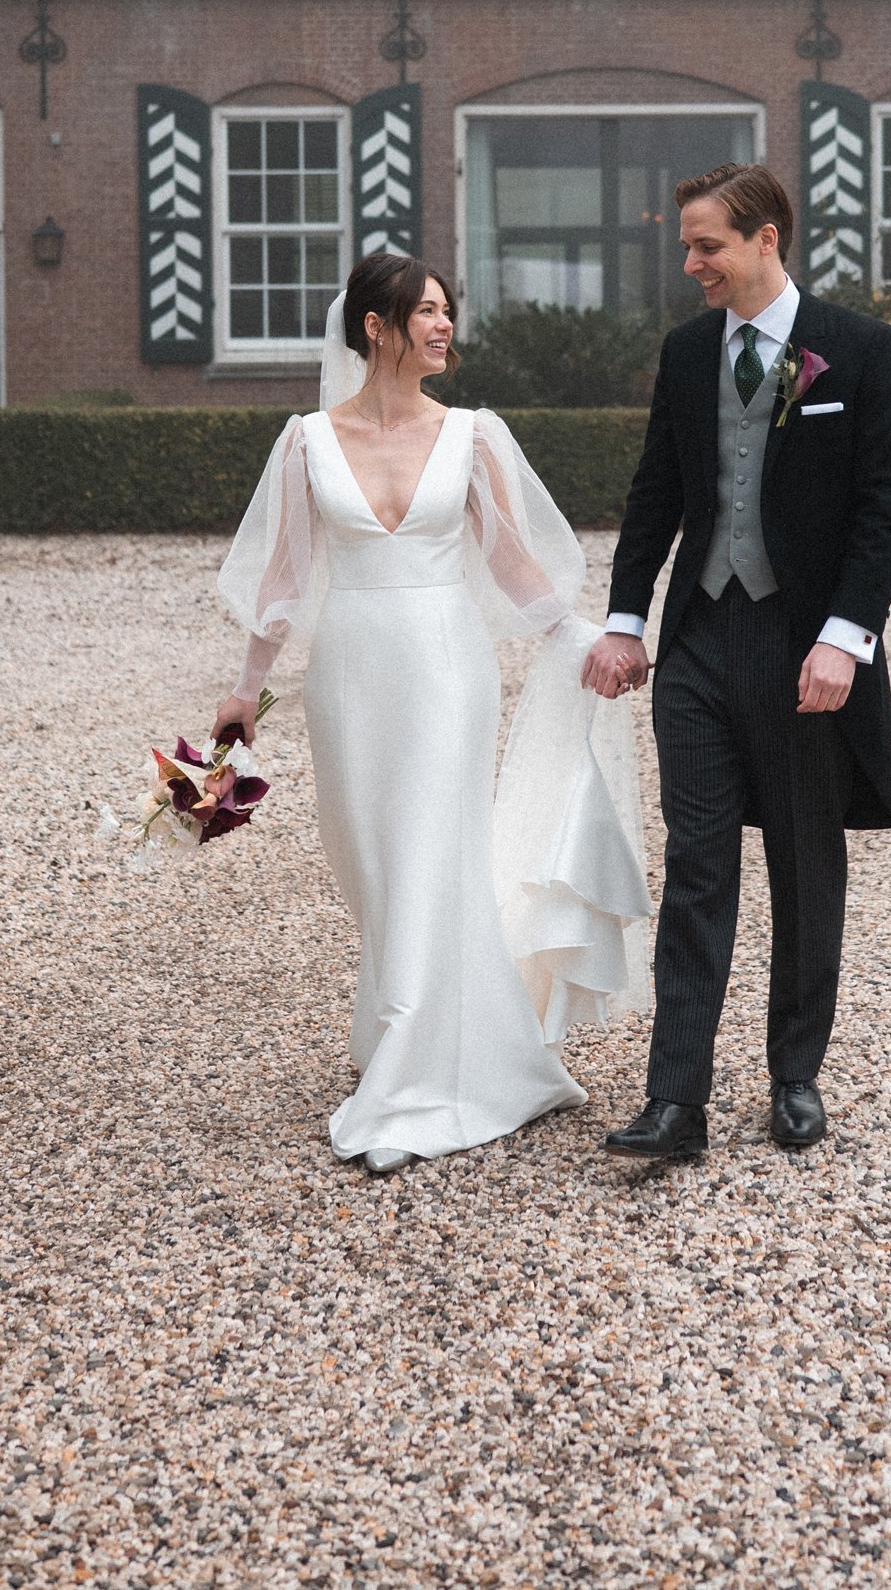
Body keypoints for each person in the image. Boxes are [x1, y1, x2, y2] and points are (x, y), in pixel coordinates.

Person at [215, 252, 649, 1176]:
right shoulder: (305, 441)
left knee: (429, 851)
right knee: (371, 860)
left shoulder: (473, 435)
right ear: (375, 327)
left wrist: (584, 640)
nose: (446, 326)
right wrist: (245, 688)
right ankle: (414, 1032)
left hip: (447, 670)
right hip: (349, 673)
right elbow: (284, 579)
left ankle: (412, 1081)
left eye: (449, 311)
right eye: (427, 312)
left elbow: (513, 566)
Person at [580, 163, 891, 1162]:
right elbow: (655, 495)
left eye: (705, 246)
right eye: (687, 246)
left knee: (804, 862)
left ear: (766, 239)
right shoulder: (686, 354)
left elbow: (881, 511)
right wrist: (625, 619)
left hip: (799, 644)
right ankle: (674, 1101)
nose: (689, 264)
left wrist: (842, 641)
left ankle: (794, 1076)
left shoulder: (853, 350)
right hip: (695, 643)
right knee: (696, 865)